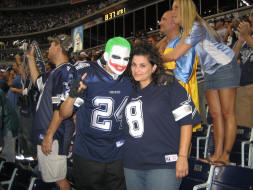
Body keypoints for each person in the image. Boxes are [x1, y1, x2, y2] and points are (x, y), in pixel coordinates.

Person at [164, 0, 241, 166]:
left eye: (176, 7)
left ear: (184, 9)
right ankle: (216, 155)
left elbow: (174, 55)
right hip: (210, 71)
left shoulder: (195, 26)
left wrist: (148, 57)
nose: (173, 11)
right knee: (215, 114)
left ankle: (225, 156)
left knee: (227, 113)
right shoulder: (189, 29)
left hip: (225, 65)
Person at [123, 42, 201, 190]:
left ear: (154, 67)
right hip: (132, 165)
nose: (137, 70)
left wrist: (183, 157)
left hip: (163, 165)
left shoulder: (169, 86)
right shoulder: (129, 90)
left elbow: (186, 122)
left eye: (142, 65)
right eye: (134, 65)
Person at [60, 37, 132, 190]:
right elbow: (64, 114)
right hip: (88, 154)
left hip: (117, 156)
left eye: (125, 58)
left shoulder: (129, 81)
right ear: (106, 56)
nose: (121, 62)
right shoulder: (89, 76)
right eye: (117, 57)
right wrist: (72, 95)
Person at [26, 34, 76, 190]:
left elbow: (61, 110)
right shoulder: (56, 72)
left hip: (54, 136)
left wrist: (49, 135)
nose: (48, 50)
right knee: (51, 179)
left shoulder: (66, 71)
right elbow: (37, 82)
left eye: (51, 46)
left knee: (59, 181)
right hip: (49, 135)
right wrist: (30, 58)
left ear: (58, 47)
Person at [159, 10, 201, 131]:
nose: (160, 23)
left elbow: (184, 73)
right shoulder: (168, 44)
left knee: (182, 136)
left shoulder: (185, 42)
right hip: (167, 96)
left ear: (175, 22)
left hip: (181, 96)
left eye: (164, 19)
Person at [233, 10, 253, 128]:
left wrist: (247, 36)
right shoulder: (245, 36)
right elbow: (231, 59)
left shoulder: (248, 36)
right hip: (244, 85)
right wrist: (240, 41)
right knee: (245, 128)